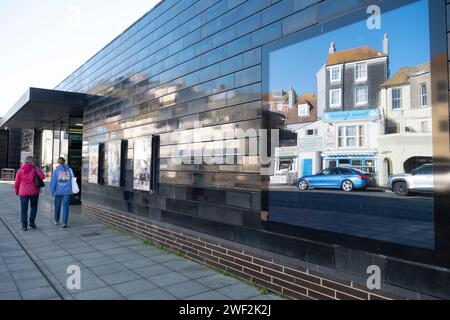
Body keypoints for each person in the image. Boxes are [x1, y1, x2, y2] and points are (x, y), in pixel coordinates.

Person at [14, 156, 46, 231]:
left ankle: (24, 225)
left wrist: (17, 191)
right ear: (32, 161)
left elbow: (16, 183)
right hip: (34, 191)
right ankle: (32, 222)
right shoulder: (35, 168)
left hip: (23, 192)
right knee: (34, 207)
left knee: (23, 209)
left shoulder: (20, 170)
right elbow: (43, 176)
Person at [50, 157, 73, 228]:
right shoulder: (69, 170)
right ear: (65, 162)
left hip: (58, 191)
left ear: (58, 162)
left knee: (57, 206)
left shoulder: (56, 171)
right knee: (66, 207)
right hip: (67, 191)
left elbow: (53, 182)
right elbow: (73, 179)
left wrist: (52, 191)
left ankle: (56, 220)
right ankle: (64, 222)